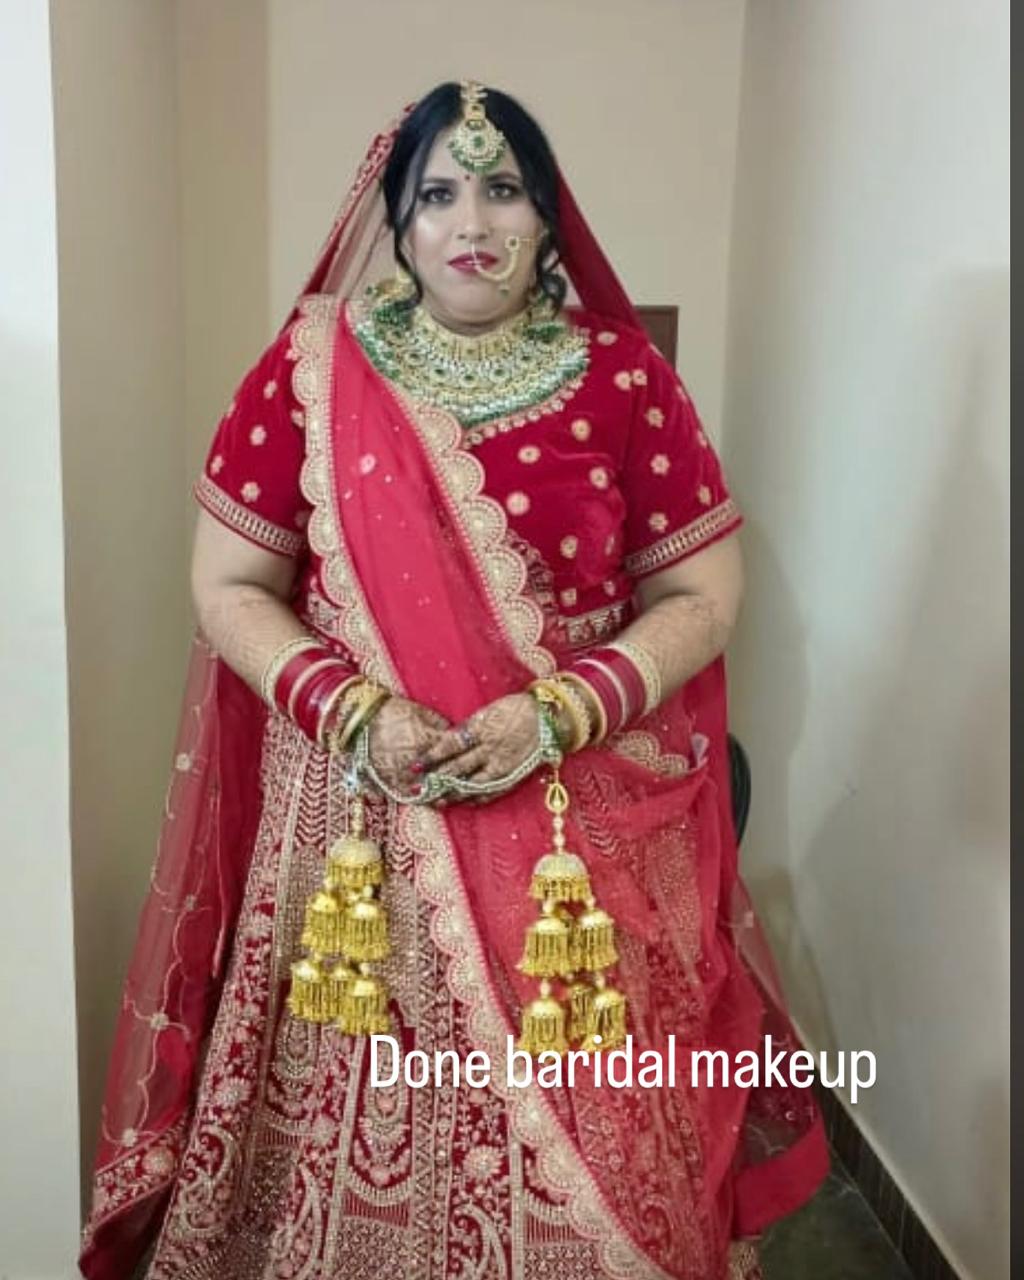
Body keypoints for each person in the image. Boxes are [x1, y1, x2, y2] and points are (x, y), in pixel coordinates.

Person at [79, 81, 828, 1280]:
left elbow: (703, 594)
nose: (470, 221)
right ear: (396, 217)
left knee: (606, 1122)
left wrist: (559, 708)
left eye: (502, 188)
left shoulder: (623, 375)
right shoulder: (309, 371)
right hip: (359, 831)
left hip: (576, 827)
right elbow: (227, 583)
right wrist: (352, 708)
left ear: (546, 215)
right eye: (436, 193)